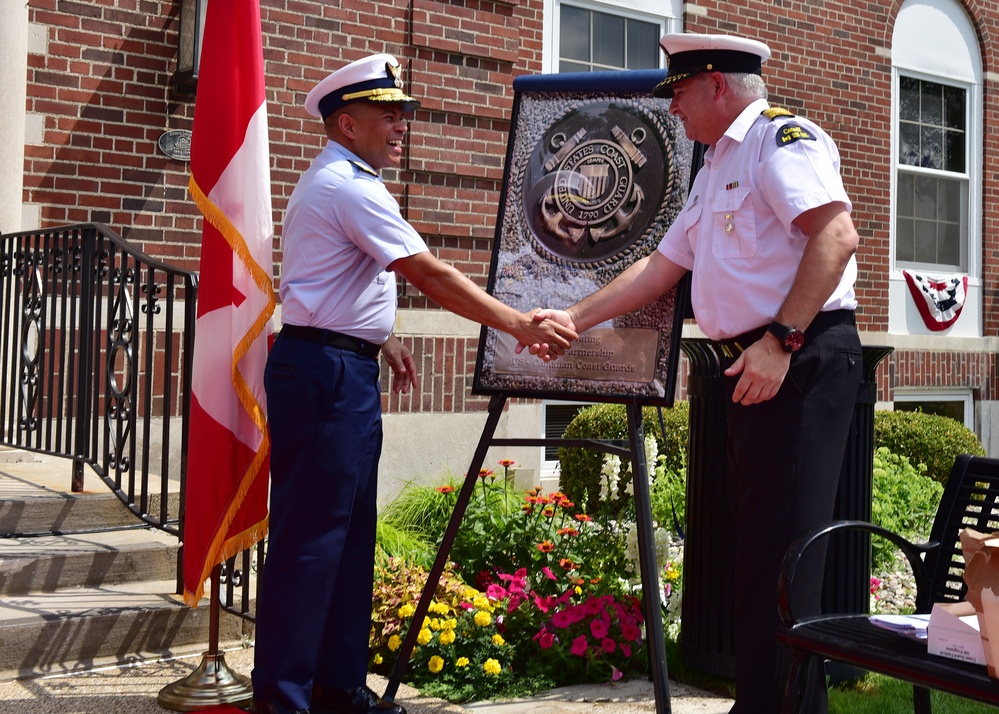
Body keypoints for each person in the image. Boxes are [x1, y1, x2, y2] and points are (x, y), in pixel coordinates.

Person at [524, 33, 862, 714]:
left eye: (677, 93)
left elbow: (835, 235)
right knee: (760, 549)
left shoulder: (779, 140)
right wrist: (571, 318)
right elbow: (660, 268)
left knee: (786, 555)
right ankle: (768, 704)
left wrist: (780, 339)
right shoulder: (714, 167)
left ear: (715, 85)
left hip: (794, 358)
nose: (670, 109)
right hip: (755, 365)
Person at [251, 53, 577, 714]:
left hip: (339, 364)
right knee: (310, 544)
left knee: (345, 540)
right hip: (325, 375)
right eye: (387, 114)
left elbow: (339, 281)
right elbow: (426, 272)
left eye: (403, 114)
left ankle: (337, 689)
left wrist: (379, 335)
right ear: (345, 122)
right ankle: (283, 700)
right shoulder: (349, 185)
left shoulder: (346, 178)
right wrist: (515, 322)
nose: (401, 125)